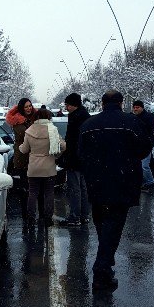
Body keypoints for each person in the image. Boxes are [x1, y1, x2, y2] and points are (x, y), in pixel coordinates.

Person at [78, 90, 153, 290]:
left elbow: (81, 154)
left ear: (102, 104)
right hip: (122, 182)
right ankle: (102, 269)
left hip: (96, 183)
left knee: (103, 225)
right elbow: (144, 148)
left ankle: (105, 265)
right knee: (113, 226)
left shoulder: (88, 125)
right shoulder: (131, 123)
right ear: (121, 103)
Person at [19, 108, 66, 228]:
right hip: (49, 166)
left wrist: (19, 147)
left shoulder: (30, 130)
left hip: (34, 166)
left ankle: (30, 217)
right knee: (49, 193)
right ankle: (48, 218)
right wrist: (56, 154)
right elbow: (63, 146)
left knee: (33, 193)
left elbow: (24, 149)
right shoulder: (52, 130)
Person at [59, 93, 91, 226]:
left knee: (74, 188)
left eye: (67, 105)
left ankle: (74, 216)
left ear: (74, 105)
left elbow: (72, 141)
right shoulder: (85, 116)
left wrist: (68, 157)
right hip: (84, 158)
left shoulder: (76, 118)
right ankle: (84, 215)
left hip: (75, 158)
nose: (66, 107)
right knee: (83, 188)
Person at [6, 98, 35, 218]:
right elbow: (26, 135)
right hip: (23, 157)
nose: (29, 108)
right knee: (25, 187)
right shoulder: (17, 121)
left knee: (33, 186)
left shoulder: (34, 118)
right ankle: (26, 213)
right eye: (26, 107)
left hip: (34, 156)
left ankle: (32, 212)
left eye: (30, 106)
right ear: (21, 108)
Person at [132, 100, 154, 190]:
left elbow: (153, 132)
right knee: (139, 165)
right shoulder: (132, 117)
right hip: (136, 146)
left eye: (137, 107)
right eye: (134, 107)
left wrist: (150, 142)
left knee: (144, 166)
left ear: (142, 108)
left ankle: (150, 182)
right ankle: (143, 181)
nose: (135, 109)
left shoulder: (148, 117)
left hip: (145, 145)